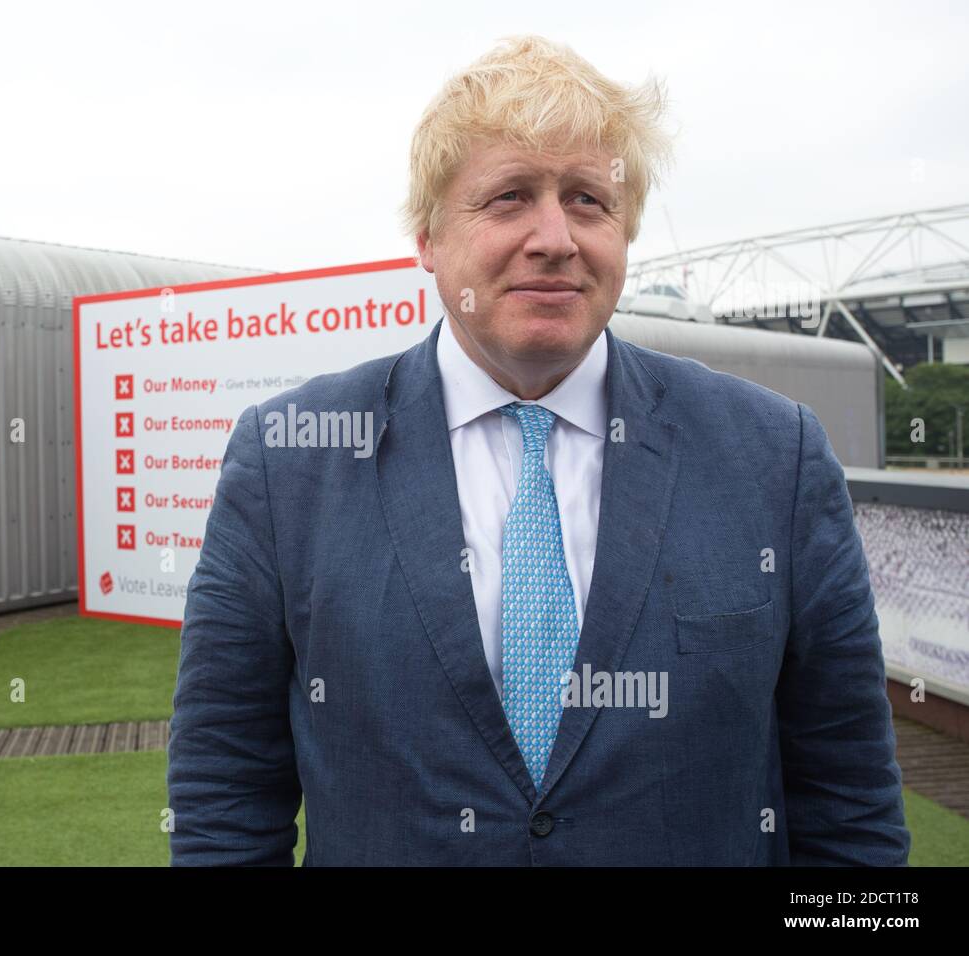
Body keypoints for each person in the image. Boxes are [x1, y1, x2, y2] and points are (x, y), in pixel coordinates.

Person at [166, 34, 910, 866]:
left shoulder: (776, 456)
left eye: (589, 200)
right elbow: (226, 793)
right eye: (511, 197)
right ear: (428, 236)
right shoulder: (288, 464)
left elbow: (850, 800)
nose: (555, 236)